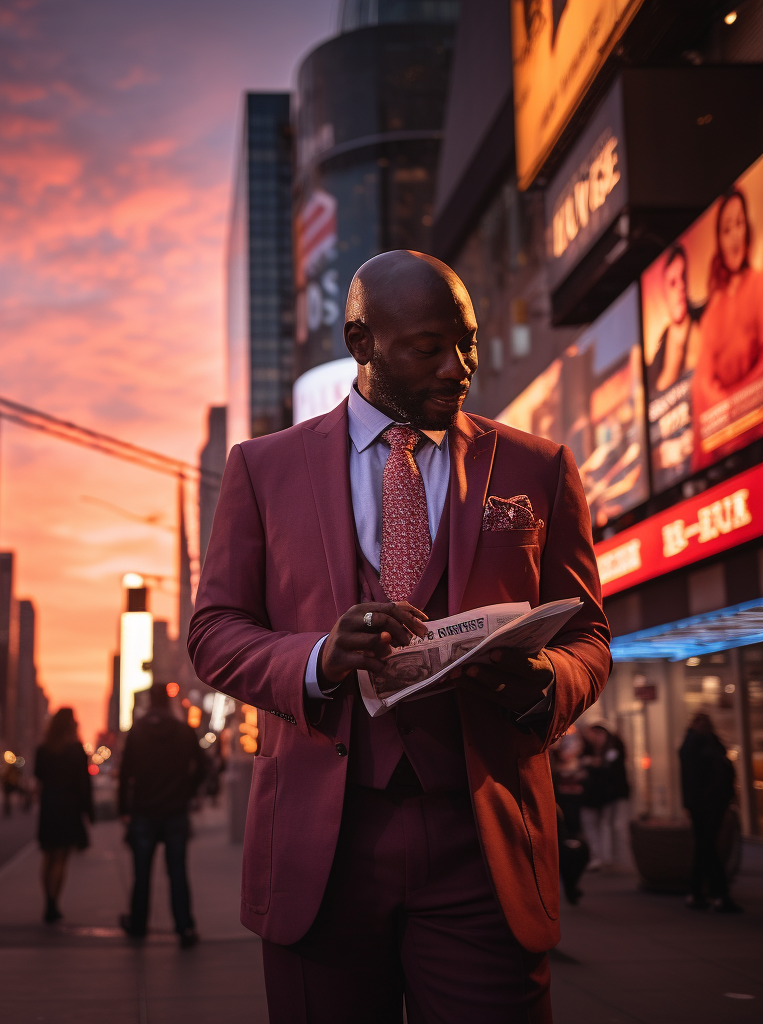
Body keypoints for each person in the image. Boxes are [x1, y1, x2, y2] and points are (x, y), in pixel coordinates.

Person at [189, 250, 611, 1023]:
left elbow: (588, 634)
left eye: (468, 343)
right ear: (362, 344)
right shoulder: (261, 470)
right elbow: (214, 632)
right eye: (427, 348)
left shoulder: (537, 465)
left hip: (483, 842)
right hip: (322, 848)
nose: (459, 368)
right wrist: (317, 658)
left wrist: (552, 680)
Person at [117, 681, 207, 948]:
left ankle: (138, 924)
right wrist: (187, 793)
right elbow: (202, 768)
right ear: (168, 701)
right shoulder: (184, 732)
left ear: (148, 701)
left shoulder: (137, 732)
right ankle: (185, 927)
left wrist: (124, 810)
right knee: (177, 871)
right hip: (175, 812)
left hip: (144, 812)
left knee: (142, 873)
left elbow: (125, 775)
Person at [692, 188, 763, 462]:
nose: (734, 236)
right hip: (724, 449)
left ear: (747, 228)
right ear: (718, 240)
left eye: (739, 224)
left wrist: (734, 407)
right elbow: (701, 385)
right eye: (726, 229)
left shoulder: (758, 284)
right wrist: (734, 409)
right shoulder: (713, 308)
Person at [34, 707, 92, 923]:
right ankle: (53, 903)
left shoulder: (44, 749)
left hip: (49, 805)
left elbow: (38, 774)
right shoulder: (76, 750)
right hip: (69, 806)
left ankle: (47, 901)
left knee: (47, 856)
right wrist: (88, 812)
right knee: (61, 858)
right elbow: (83, 784)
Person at [679, 712, 740, 913]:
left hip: (706, 804)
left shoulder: (700, 743)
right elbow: (699, 778)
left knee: (705, 848)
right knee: (708, 848)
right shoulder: (700, 744)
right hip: (707, 805)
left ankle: (701, 893)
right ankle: (716, 894)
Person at [646, 244, 701, 398]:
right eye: (673, 282)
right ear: (664, 292)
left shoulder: (705, 317)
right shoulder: (659, 351)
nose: (681, 286)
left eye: (683, 277)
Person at [578, 722, 629, 871]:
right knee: (598, 825)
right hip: (596, 794)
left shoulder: (612, 751)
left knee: (607, 825)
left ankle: (606, 858)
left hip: (606, 794)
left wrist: (593, 766)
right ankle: (601, 857)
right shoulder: (593, 751)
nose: (591, 738)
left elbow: (612, 773)